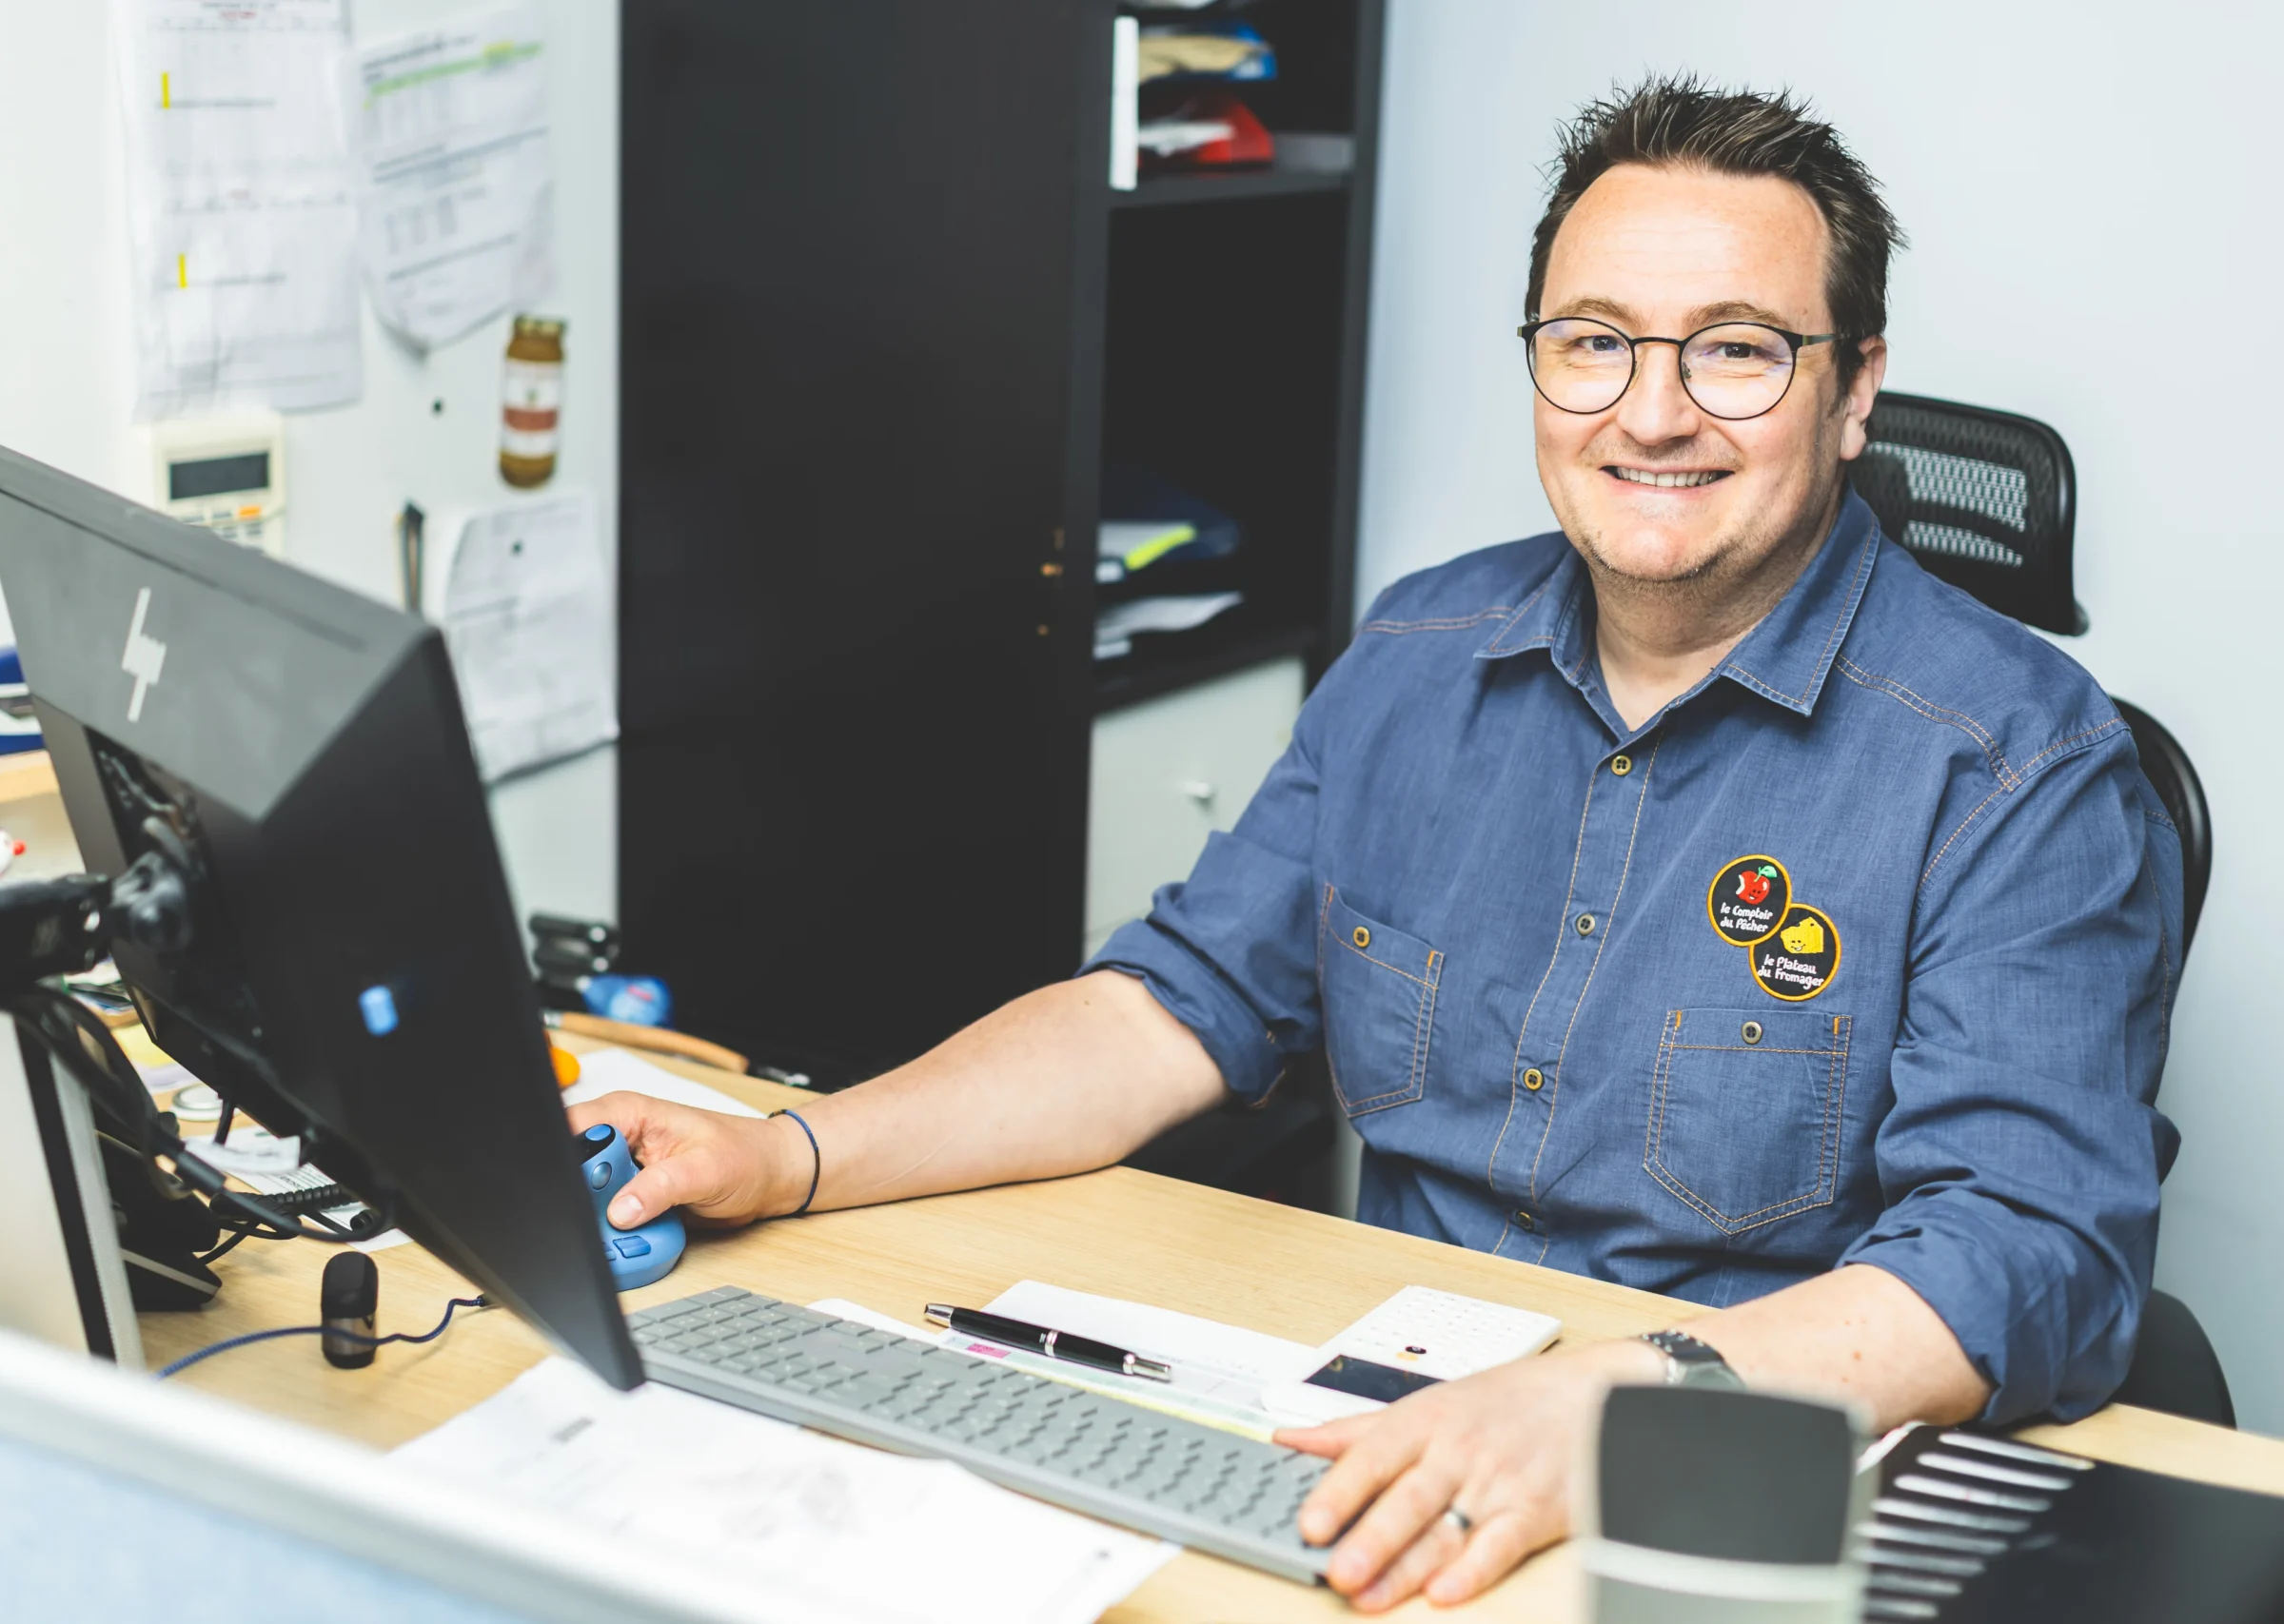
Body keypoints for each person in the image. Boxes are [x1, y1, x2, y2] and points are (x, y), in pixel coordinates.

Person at [572, 77, 2178, 1609]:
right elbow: (1173, 1004)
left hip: (1720, 1488)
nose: (1653, 412)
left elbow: (2029, 1248)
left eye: (1738, 351)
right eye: (1594, 342)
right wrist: (792, 1152)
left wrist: (1623, 1407)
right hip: (1373, 1442)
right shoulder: (1417, 654)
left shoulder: (2016, 760)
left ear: (1855, 390)